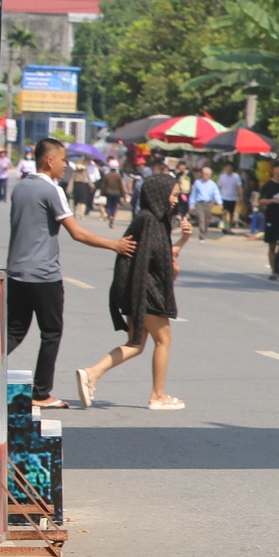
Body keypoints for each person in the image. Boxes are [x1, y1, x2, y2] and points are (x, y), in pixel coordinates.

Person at [5, 138, 137, 408]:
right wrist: (114, 244)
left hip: (17, 273)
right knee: (51, 332)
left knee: (14, 332)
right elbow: (76, 232)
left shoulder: (20, 188)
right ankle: (41, 394)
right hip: (44, 276)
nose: (67, 165)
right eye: (64, 160)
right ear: (49, 160)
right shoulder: (51, 190)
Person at [75, 174, 192, 410]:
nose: (175, 200)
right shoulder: (150, 221)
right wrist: (170, 271)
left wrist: (183, 239)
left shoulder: (153, 220)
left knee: (135, 343)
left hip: (138, 290)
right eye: (173, 195)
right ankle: (158, 395)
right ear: (159, 193)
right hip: (147, 292)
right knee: (164, 340)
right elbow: (152, 261)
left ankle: (92, 373)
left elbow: (163, 256)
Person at [189, 165, 222, 240]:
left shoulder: (212, 184)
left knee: (207, 219)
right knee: (201, 219)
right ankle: (202, 234)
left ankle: (205, 232)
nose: (205, 175)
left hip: (208, 204)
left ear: (210, 175)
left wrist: (219, 202)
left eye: (207, 174)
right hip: (200, 203)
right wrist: (191, 205)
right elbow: (193, 194)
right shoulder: (197, 183)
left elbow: (216, 193)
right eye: (203, 173)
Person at [98, 162, 127, 226]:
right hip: (117, 193)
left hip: (109, 192)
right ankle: (113, 216)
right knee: (114, 206)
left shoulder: (107, 176)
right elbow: (121, 186)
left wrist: (102, 193)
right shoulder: (119, 176)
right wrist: (123, 194)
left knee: (109, 205)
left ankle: (110, 215)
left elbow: (103, 186)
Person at [216, 162, 242, 233]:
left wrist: (241, 195)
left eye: (230, 167)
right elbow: (218, 187)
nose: (229, 169)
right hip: (224, 197)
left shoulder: (236, 176)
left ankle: (229, 227)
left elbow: (239, 186)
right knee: (224, 212)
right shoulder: (222, 176)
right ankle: (224, 226)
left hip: (233, 198)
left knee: (231, 213)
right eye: (227, 167)